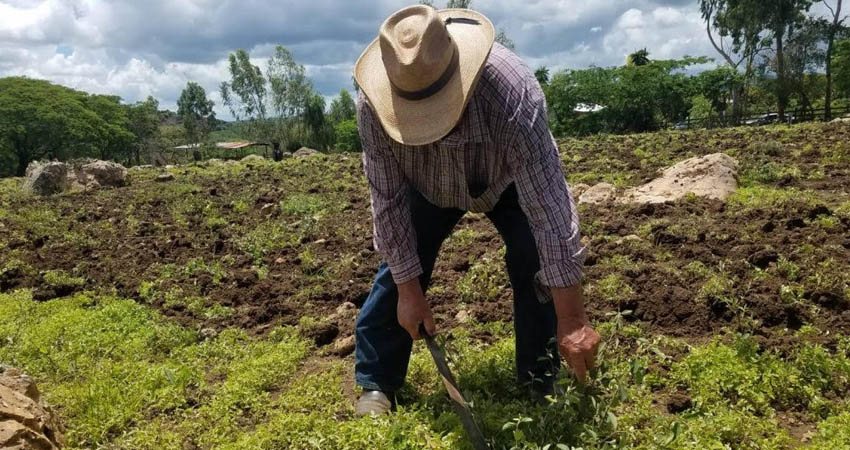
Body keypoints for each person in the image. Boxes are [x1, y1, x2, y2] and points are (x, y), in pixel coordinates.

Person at [352, 5, 599, 415]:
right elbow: (388, 203)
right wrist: (410, 292)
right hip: (427, 185)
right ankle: (377, 381)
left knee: (534, 257)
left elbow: (551, 209)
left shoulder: (512, 92)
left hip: (506, 181)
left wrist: (572, 320)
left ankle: (542, 373)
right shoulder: (373, 108)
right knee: (398, 271)